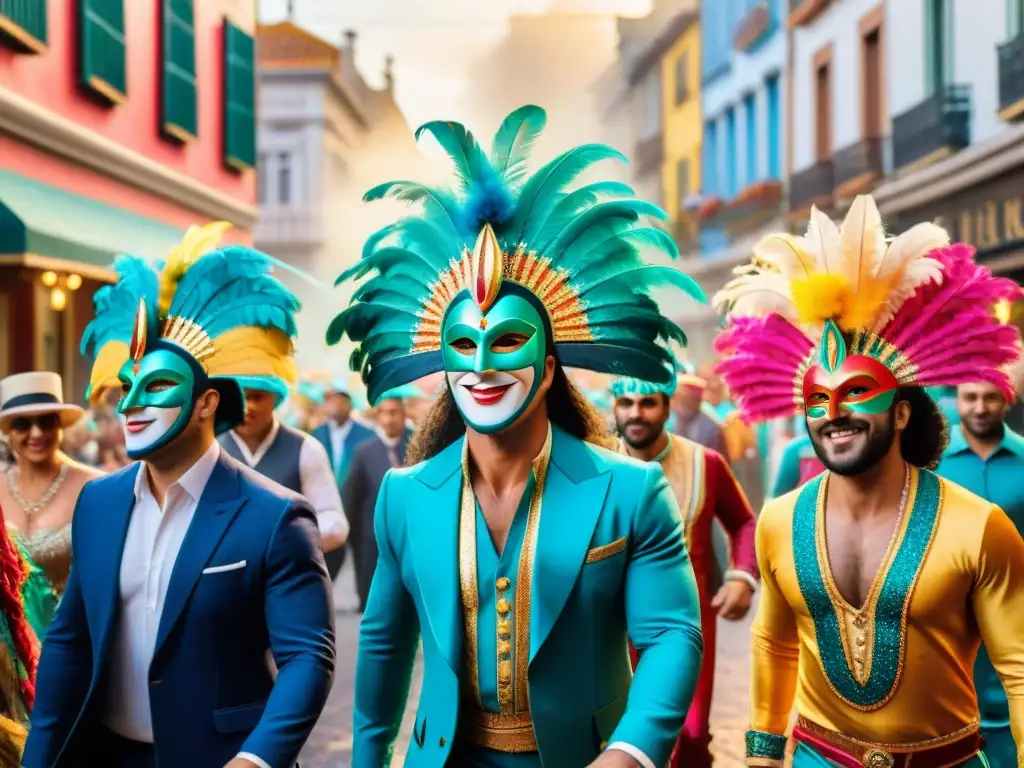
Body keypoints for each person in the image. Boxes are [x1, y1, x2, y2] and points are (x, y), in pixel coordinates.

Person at [332, 105, 706, 768]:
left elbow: (672, 633)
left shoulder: (632, 491)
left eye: (506, 342)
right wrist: (368, 760)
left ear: (549, 367)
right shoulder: (403, 495)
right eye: (463, 346)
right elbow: (385, 645)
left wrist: (631, 752)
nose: (481, 366)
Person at [713, 195, 1024, 766]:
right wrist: (760, 757)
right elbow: (775, 643)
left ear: (902, 412)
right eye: (816, 400)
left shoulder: (979, 527)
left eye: (856, 393)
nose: (833, 413)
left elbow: (1020, 670)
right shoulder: (779, 522)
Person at [24, 223, 335, 768]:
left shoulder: (275, 516)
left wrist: (257, 759)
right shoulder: (97, 503)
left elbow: (308, 656)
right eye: (125, 387)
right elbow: (70, 643)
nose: (130, 406)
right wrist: (39, 757)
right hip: (105, 756)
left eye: (158, 386)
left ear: (207, 403)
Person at [610, 369, 757, 768]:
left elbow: (744, 522)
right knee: (616, 737)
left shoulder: (703, 462)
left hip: (687, 625)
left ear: (666, 406)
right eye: (626, 403)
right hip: (609, 629)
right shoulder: (595, 465)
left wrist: (742, 576)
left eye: (647, 403)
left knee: (689, 736)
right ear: (614, 406)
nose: (635, 413)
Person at [936, 381, 1024, 766]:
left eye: (991, 397)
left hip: (1015, 606)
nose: (980, 407)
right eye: (971, 397)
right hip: (948, 607)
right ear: (958, 400)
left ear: (1008, 399)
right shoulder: (930, 460)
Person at [0, 372, 103, 598]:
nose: (36, 433)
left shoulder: (95, 486)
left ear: (59, 425)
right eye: (22, 424)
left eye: (46, 421)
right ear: (8, 431)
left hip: (67, 626)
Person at [221, 382, 348, 554]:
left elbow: (334, 522)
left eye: (257, 397)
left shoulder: (306, 448)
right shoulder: (209, 450)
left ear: (275, 397)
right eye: (238, 397)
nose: (246, 407)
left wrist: (291, 540)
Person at [341, 385, 416, 612]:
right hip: (370, 535)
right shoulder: (364, 451)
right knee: (372, 600)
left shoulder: (419, 445)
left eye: (395, 412)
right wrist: (348, 530)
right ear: (378, 416)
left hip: (410, 532)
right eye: (385, 412)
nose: (390, 418)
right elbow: (354, 494)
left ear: (404, 415)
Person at [311, 380, 375, 582]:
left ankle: (364, 597)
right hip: (325, 502)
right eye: (330, 400)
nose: (334, 405)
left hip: (356, 501)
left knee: (361, 551)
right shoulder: (317, 434)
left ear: (349, 403)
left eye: (339, 400)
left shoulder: (366, 433)